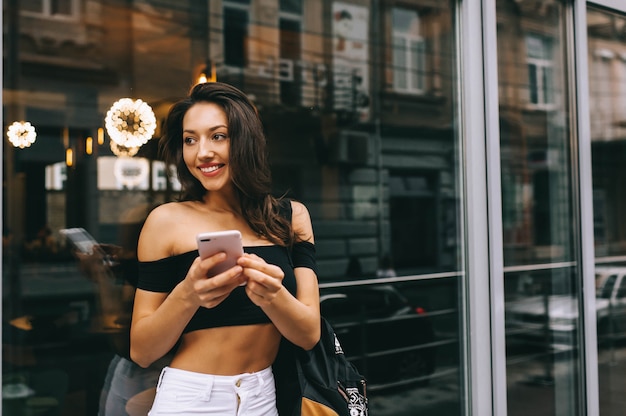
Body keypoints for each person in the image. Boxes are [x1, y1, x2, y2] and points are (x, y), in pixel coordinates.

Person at [130, 81, 320, 415]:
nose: (202, 152)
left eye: (218, 136)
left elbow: (308, 335)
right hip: (191, 399)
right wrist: (189, 294)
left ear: (246, 141)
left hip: (263, 398)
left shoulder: (291, 218)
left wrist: (273, 296)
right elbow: (142, 351)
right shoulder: (165, 222)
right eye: (190, 140)